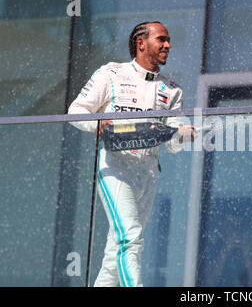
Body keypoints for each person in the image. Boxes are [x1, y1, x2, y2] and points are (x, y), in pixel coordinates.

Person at [68, 21, 197, 287]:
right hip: (115, 168)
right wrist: (98, 124)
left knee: (116, 249)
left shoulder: (173, 90)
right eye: (161, 39)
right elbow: (75, 111)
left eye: (168, 40)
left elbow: (172, 144)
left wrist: (184, 135)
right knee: (130, 237)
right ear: (141, 43)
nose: (168, 45)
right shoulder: (111, 74)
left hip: (148, 175)